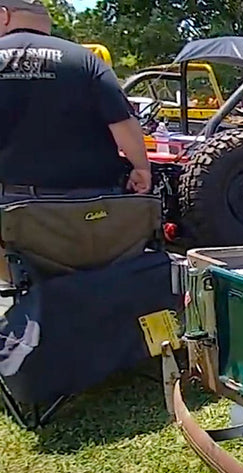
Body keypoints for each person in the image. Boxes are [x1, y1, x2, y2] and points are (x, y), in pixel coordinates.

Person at [0, 0, 150, 283]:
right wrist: (141, 168)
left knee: (23, 287)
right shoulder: (83, 59)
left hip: (12, 214)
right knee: (91, 285)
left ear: (4, 15)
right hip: (89, 212)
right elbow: (124, 124)